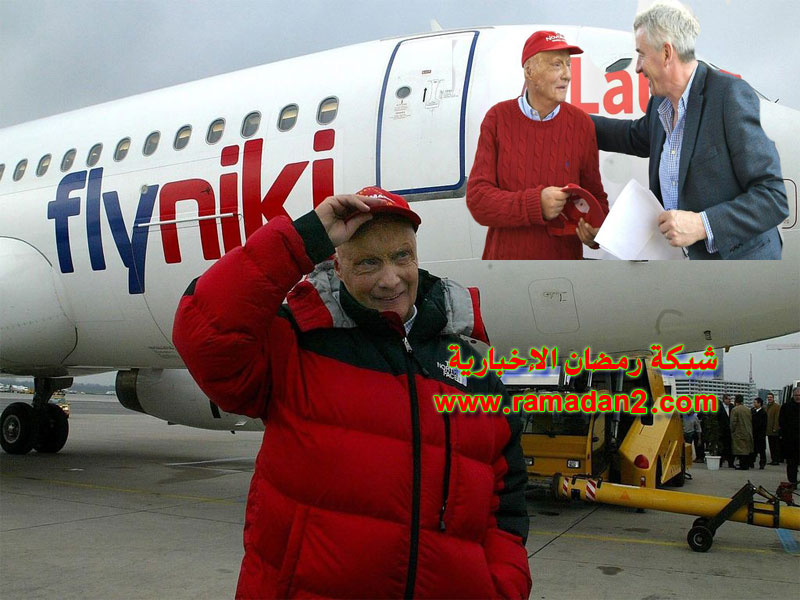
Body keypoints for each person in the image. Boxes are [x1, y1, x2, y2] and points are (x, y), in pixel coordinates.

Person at [172, 187, 532, 598]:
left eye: (402, 257)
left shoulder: (471, 366)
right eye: (368, 262)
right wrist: (301, 238)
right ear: (338, 268)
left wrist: (503, 585)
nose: (390, 279)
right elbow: (204, 332)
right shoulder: (296, 344)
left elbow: (506, 501)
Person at [590, 1, 788, 259]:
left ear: (666, 53)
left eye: (642, 54)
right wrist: (569, 120)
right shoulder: (660, 105)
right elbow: (630, 136)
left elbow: (773, 198)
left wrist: (702, 224)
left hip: (742, 265)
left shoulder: (728, 96)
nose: (637, 67)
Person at [466, 30, 608, 259]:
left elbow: (596, 198)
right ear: (529, 71)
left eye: (568, 65)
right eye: (556, 65)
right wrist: (535, 205)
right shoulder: (497, 118)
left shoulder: (581, 124)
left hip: (565, 271)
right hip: (506, 270)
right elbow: (478, 200)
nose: (567, 75)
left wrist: (596, 233)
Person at [779, 387, 800, 487]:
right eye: (796, 395)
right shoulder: (786, 407)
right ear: (793, 395)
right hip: (790, 441)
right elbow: (781, 422)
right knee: (792, 463)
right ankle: (792, 482)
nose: (798, 397)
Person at [730, 395, 754, 470]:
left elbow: (733, 422)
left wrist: (732, 430)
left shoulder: (735, 410)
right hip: (747, 431)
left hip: (739, 432)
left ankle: (742, 465)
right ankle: (746, 464)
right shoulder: (748, 409)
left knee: (740, 450)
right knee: (746, 449)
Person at [750, 397, 768, 469]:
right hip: (753, 433)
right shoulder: (752, 411)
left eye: (755, 402)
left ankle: (762, 463)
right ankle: (751, 462)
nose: (754, 404)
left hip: (760, 434)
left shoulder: (763, 413)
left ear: (759, 403)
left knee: (761, 450)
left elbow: (763, 424)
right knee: (753, 449)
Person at [718, 394, 734, 468]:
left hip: (730, 431)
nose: (729, 401)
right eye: (728, 399)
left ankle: (730, 463)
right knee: (721, 447)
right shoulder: (719, 407)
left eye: (730, 399)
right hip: (722, 430)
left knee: (730, 447)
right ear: (724, 399)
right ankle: (720, 462)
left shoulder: (732, 407)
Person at [766, 392, 782, 464]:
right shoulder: (767, 406)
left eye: (770, 397)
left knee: (775, 446)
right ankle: (773, 459)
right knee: (771, 445)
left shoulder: (776, 406)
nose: (769, 399)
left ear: (773, 398)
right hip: (768, 429)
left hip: (774, 430)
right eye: (768, 397)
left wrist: (775, 428)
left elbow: (777, 418)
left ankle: (776, 460)